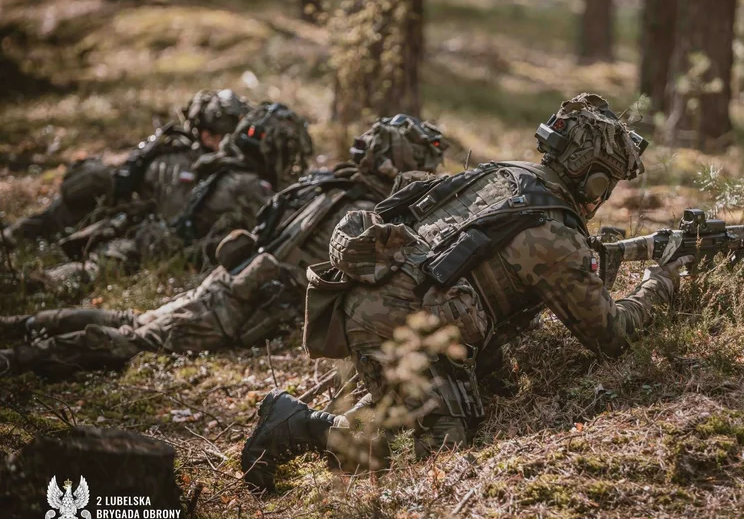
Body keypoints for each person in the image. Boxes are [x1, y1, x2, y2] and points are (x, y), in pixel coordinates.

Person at [240, 93, 692, 490]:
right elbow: (611, 335)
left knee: (410, 407)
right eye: (607, 184)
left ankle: (333, 420)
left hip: (391, 300)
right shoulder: (553, 234)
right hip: (401, 318)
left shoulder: (506, 175)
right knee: (436, 449)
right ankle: (296, 425)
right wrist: (661, 281)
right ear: (593, 179)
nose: (605, 196)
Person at [0, 115, 445, 380]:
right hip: (239, 303)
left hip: (230, 280)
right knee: (135, 338)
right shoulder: (366, 211)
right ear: (402, 165)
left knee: (130, 320)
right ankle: (15, 357)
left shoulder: (333, 184)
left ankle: (19, 326)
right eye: (424, 164)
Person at [33, 102, 312, 289]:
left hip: (158, 238)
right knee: (76, 277)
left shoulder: (222, 165)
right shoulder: (247, 185)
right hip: (161, 247)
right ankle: (33, 284)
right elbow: (294, 227)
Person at [1, 90, 253, 245]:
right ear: (207, 136)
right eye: (226, 135)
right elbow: (175, 217)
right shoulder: (178, 161)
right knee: (32, 232)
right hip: (100, 213)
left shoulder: (200, 157)